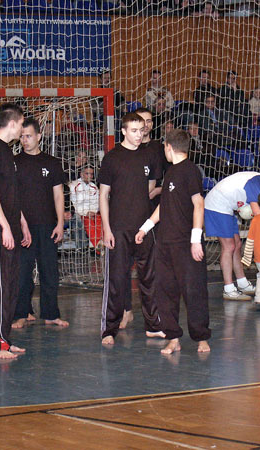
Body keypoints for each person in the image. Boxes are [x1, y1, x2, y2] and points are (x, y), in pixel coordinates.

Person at [135, 129, 211, 354]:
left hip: (186, 244)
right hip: (165, 243)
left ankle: (201, 337)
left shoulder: (190, 171)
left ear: (169, 147)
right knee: (165, 292)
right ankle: (173, 337)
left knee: (193, 291)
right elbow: (164, 206)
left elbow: (199, 204)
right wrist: (145, 228)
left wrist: (195, 240)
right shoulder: (170, 172)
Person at [98, 112, 163, 345]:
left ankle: (154, 326)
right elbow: (103, 195)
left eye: (141, 130)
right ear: (123, 131)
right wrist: (106, 228)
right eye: (134, 130)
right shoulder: (112, 158)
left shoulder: (149, 157)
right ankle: (109, 329)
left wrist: (146, 225)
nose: (139, 134)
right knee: (116, 279)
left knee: (150, 278)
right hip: (118, 228)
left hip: (144, 228)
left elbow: (148, 191)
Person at [0, 103, 32, 359]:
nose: (23, 129)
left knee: (10, 284)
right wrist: (4, 227)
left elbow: (8, 193)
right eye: (22, 124)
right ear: (12, 123)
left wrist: (20, 221)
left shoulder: (7, 152)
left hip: (9, 224)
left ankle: (4, 339)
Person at [12, 118, 69, 329]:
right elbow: (13, 197)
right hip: (23, 227)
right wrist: (20, 223)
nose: (25, 140)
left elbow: (58, 195)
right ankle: (21, 313)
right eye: (22, 137)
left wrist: (60, 223)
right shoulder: (15, 163)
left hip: (47, 225)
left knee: (49, 272)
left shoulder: (52, 163)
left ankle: (51, 314)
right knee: (23, 273)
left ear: (38, 136)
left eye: (28, 136)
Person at [204, 171, 260, 300]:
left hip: (228, 207)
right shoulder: (255, 184)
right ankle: (228, 288)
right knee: (229, 246)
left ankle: (242, 283)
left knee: (237, 244)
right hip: (217, 205)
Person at [69, 165, 102, 250]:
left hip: (93, 213)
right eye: (87, 173)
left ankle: (101, 245)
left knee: (100, 221)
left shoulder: (94, 187)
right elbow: (72, 204)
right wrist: (85, 213)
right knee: (87, 222)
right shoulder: (73, 185)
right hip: (80, 213)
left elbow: (97, 203)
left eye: (91, 174)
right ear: (81, 174)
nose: (90, 176)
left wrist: (93, 212)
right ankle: (95, 246)